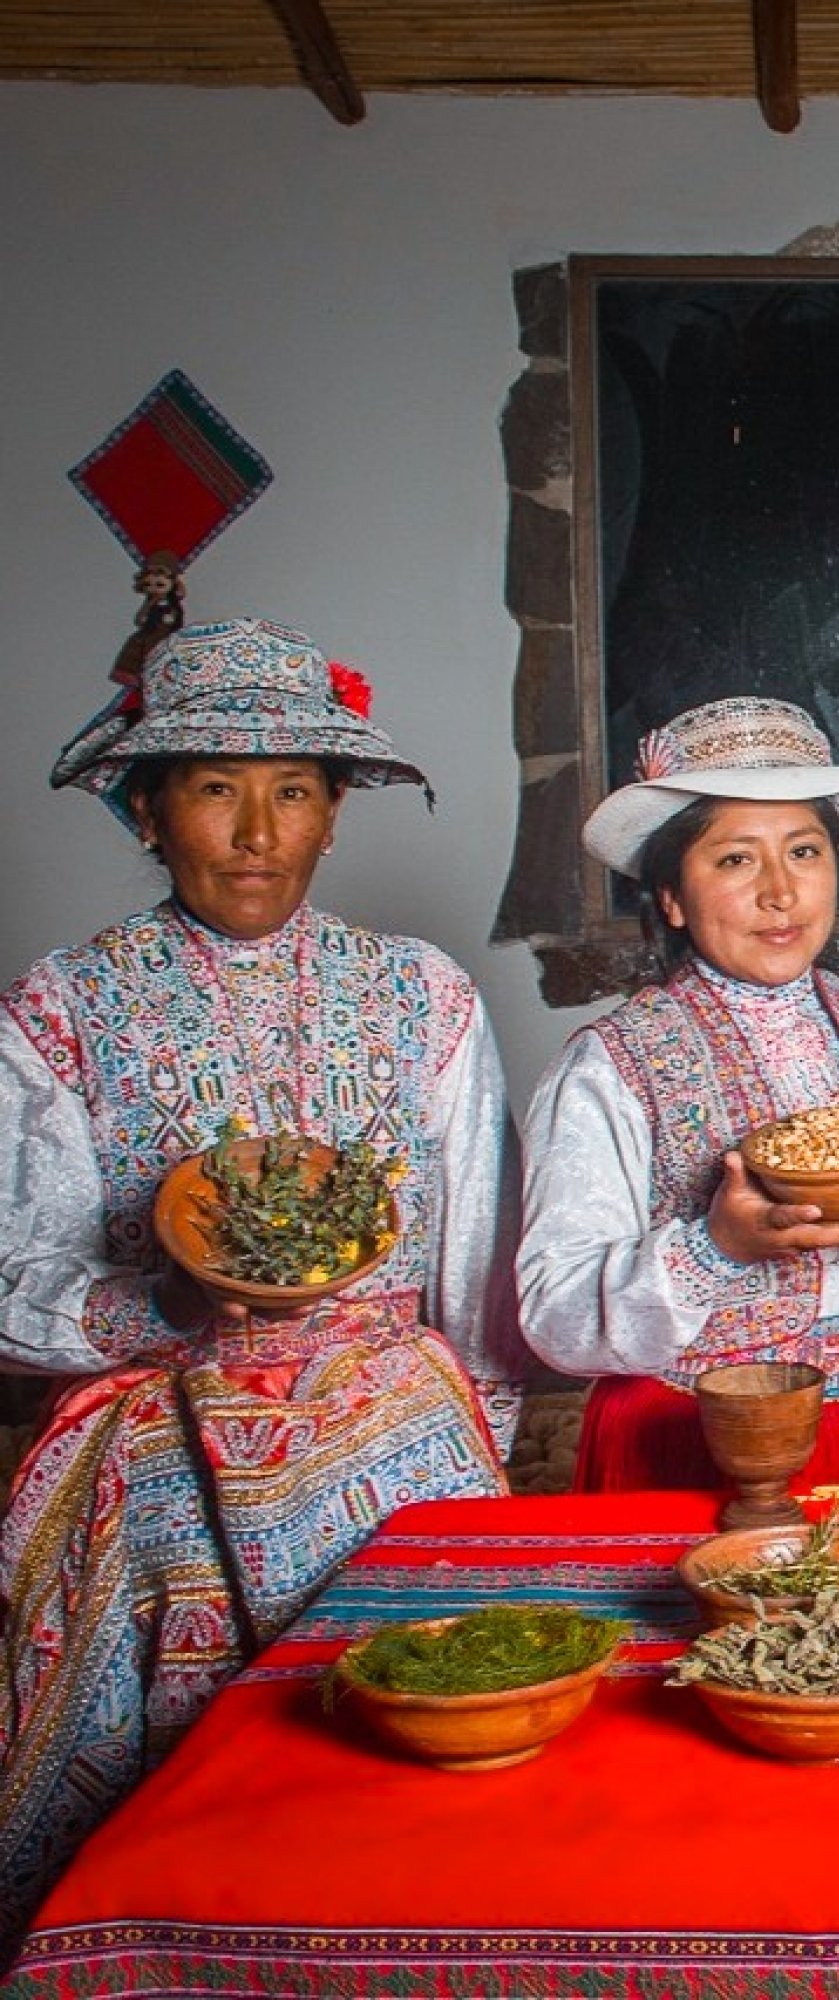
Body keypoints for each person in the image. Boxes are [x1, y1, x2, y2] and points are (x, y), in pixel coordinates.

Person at [0, 616, 523, 1943]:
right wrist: (159, 1310)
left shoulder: (424, 997)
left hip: (398, 1433)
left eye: (292, 789)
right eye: (215, 788)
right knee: (192, 1836)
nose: (254, 830)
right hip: (160, 1422)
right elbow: (14, 1273)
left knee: (423, 1792)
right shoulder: (63, 1005)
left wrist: (479, 1459)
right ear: (148, 810)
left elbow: (476, 1272)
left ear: (333, 815)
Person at [518, 697, 839, 1490]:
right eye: (735, 860)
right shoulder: (610, 1066)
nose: (780, 893)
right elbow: (556, 1319)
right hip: (690, 1440)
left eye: (804, 852)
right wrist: (715, 1247)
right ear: (670, 896)